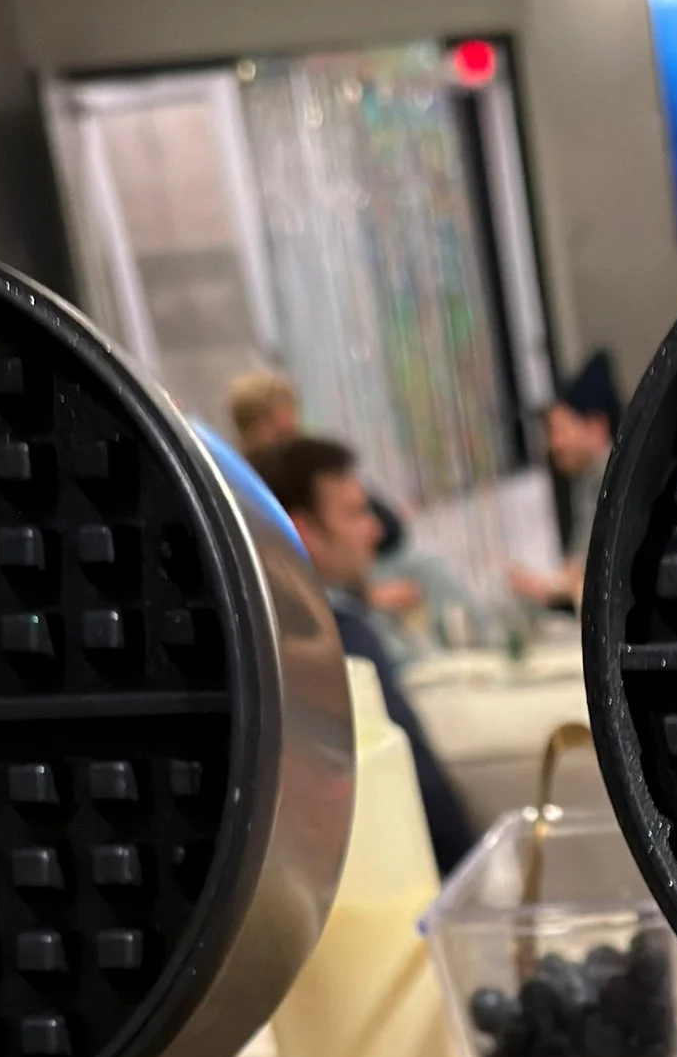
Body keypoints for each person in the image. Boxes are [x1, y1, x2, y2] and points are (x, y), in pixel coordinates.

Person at [265, 434, 475, 879]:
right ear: (304, 532)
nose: (375, 530)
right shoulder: (343, 637)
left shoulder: (263, 639)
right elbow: (424, 796)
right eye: (356, 513)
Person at [509, 352, 621, 613]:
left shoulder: (612, 483)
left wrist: (547, 589)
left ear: (596, 426)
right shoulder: (587, 480)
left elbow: (595, 578)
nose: (553, 444)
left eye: (558, 430)